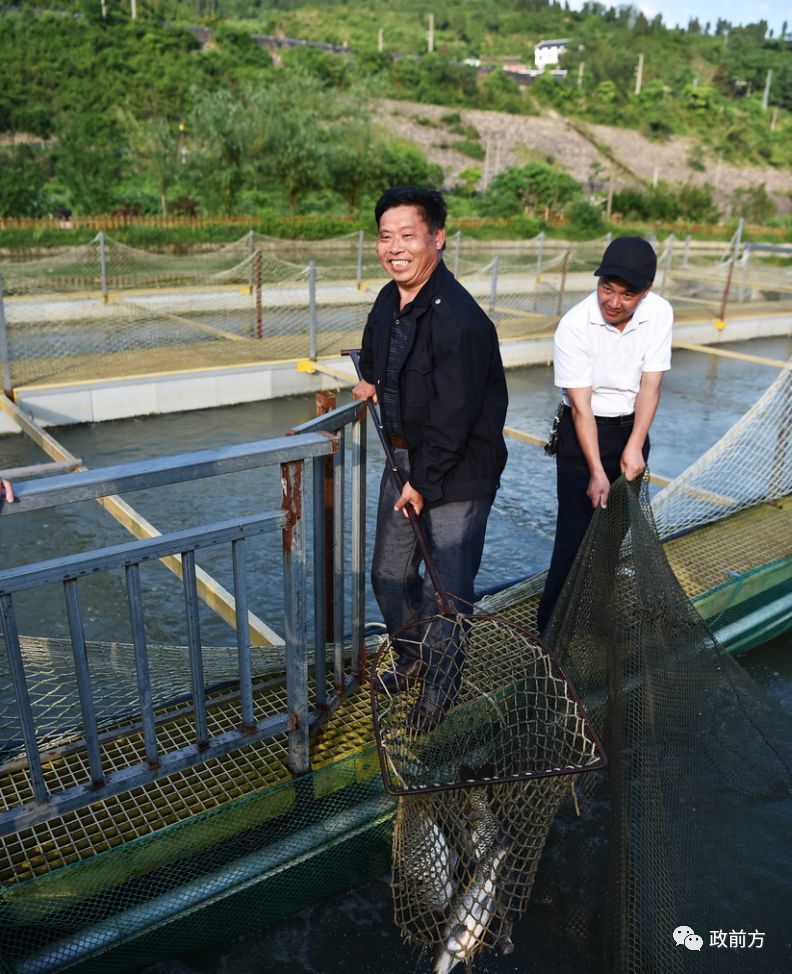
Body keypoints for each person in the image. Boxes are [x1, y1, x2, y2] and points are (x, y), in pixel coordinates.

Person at [352, 186, 508, 731]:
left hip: (456, 472)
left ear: (437, 238)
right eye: (385, 236)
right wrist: (373, 382)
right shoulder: (388, 300)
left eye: (408, 235)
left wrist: (422, 482)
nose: (395, 248)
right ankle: (413, 656)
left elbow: (455, 416)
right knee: (388, 575)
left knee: (448, 594)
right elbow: (379, 357)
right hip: (405, 461)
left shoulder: (461, 321)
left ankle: (439, 692)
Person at [536, 236, 673, 635]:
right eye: (606, 289)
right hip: (583, 434)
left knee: (612, 537)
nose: (613, 302)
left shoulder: (659, 313)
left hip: (631, 429)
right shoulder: (575, 325)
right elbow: (581, 407)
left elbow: (651, 386)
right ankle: (550, 632)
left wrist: (635, 446)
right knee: (574, 537)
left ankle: (595, 621)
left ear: (645, 292)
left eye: (627, 294)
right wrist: (597, 470)